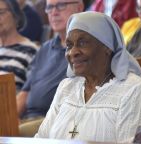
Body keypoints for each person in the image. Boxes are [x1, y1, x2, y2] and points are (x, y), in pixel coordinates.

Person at [35, 11, 141, 143]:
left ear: (107, 47)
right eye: (69, 45)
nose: (73, 52)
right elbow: (41, 138)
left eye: (82, 43)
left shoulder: (132, 89)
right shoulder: (66, 86)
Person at [17, 0, 84, 136]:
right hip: (28, 119)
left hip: (58, 121)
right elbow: (25, 92)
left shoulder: (86, 48)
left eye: (60, 5)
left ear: (79, 7)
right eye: (49, 7)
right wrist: (11, 119)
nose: (54, 12)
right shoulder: (45, 48)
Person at [0, 0, 38, 92]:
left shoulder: (30, 50)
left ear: (16, 16)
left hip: (10, 104)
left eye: (1, 12)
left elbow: (31, 93)